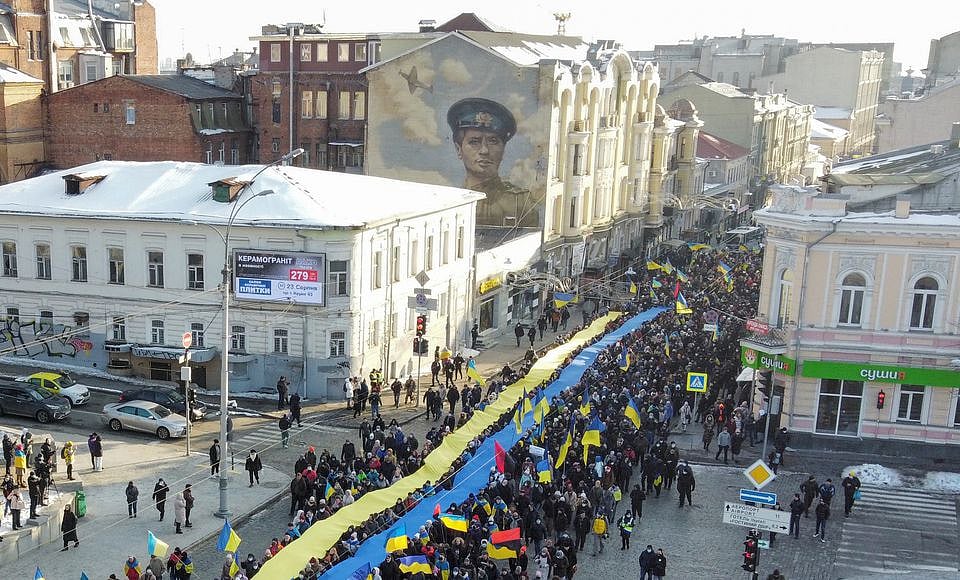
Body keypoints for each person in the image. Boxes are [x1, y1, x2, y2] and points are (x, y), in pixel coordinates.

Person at [446, 97, 532, 227]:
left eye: (493, 141)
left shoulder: (520, 202)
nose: (485, 150)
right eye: (474, 142)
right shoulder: (448, 203)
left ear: (503, 149)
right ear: (459, 149)